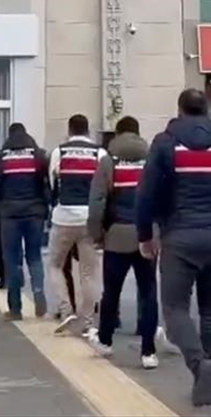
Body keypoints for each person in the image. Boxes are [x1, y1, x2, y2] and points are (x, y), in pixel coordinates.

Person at [137, 88, 211, 407]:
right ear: (206, 109)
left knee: (175, 307)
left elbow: (146, 194)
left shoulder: (165, 142)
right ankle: (210, 374)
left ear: (180, 110)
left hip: (179, 236)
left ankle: (198, 364)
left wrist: (145, 235)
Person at [86, 116, 160, 369]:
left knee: (112, 291)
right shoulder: (152, 161)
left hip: (116, 236)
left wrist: (96, 234)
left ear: (117, 135)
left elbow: (97, 202)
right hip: (147, 236)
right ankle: (148, 352)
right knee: (148, 292)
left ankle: (105, 341)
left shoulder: (109, 162)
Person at [47, 114, 107, 334]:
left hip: (63, 217)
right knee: (89, 273)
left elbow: (52, 185)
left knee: (55, 264)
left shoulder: (59, 152)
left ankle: (66, 310)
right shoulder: (99, 153)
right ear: (88, 130)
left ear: (69, 130)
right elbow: (104, 188)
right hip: (89, 219)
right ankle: (88, 321)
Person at [0, 122, 51, 320]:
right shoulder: (38, 155)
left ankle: (16, 308)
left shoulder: (2, 157)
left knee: (12, 259)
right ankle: (38, 291)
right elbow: (47, 183)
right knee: (34, 256)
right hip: (35, 212)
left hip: (9, 214)